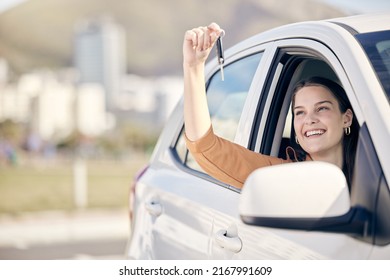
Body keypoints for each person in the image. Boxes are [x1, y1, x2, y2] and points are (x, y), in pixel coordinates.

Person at [183, 23, 359, 189]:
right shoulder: (280, 176)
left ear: (347, 118)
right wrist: (194, 67)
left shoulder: (380, 171)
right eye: (299, 113)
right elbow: (206, 147)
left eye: (322, 108)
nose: (309, 120)